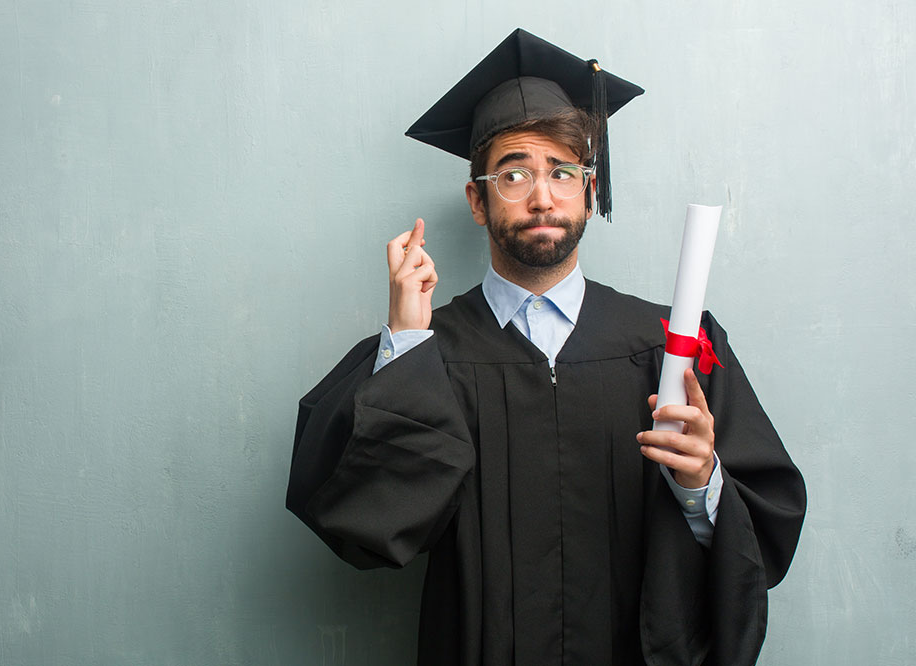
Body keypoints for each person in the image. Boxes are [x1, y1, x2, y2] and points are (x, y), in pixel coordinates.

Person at [287, 29, 806, 666]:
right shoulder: (423, 349)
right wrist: (406, 344)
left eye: (563, 171)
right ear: (477, 200)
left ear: (589, 190)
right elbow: (365, 524)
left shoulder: (671, 345)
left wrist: (703, 483)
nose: (542, 195)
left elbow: (767, 536)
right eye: (514, 173)